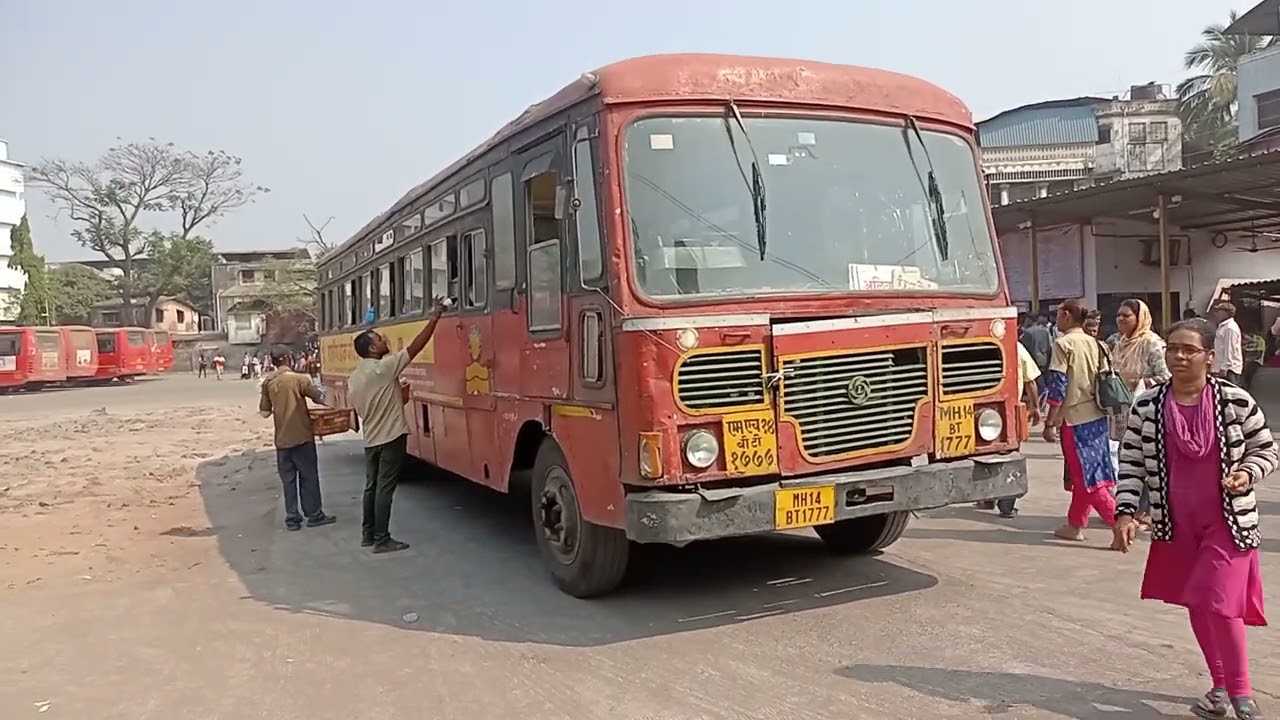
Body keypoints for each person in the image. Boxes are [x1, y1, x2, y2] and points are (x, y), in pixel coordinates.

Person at [1113, 319, 1276, 719]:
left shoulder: (1235, 401)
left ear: (1209, 356)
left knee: (1219, 603)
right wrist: (1125, 510)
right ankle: (1219, 686)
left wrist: (1247, 472)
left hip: (1228, 521)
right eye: (1173, 349)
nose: (1180, 356)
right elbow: (1132, 463)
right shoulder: (1148, 406)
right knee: (1198, 605)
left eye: (1189, 349)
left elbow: (1267, 450)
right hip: (1176, 525)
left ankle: (1241, 694)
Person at [348, 297, 447, 553]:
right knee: (385, 488)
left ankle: (367, 534)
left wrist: (398, 396)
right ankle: (382, 539)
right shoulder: (384, 368)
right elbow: (415, 348)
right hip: (391, 436)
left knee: (371, 486)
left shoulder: (355, 377)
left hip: (371, 438)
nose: (384, 341)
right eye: (379, 339)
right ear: (372, 349)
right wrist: (434, 318)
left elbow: (367, 407)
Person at [1043, 299, 1117, 543]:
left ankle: (1119, 523)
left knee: (1088, 481)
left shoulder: (1063, 344)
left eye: (1058, 315)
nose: (1056, 319)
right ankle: (1075, 524)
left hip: (1075, 420)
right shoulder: (1096, 344)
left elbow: (1058, 388)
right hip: (1097, 416)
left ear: (1066, 315)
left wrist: (1050, 422)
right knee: (1085, 475)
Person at [1106, 298, 1171, 528]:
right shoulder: (1119, 342)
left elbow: (1167, 377)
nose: (1121, 319)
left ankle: (1145, 513)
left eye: (1126, 315)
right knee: (1127, 462)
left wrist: (1141, 380)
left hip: (1147, 412)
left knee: (1145, 462)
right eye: (1119, 315)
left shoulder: (1152, 343)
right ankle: (1130, 509)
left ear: (1139, 318)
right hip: (1123, 412)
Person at [259, 346, 336, 531]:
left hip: (282, 440)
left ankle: (292, 518)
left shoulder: (268, 382)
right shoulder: (299, 379)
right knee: (309, 477)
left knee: (288, 480)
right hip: (302, 437)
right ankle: (314, 515)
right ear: (288, 359)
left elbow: (264, 412)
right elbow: (320, 397)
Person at [1211, 302, 1244, 384]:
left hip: (1229, 370)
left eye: (1219, 311)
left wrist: (1224, 368)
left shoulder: (1230, 328)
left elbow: (1230, 349)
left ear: (1226, 313)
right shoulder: (1223, 326)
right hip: (1221, 368)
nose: (1216, 314)